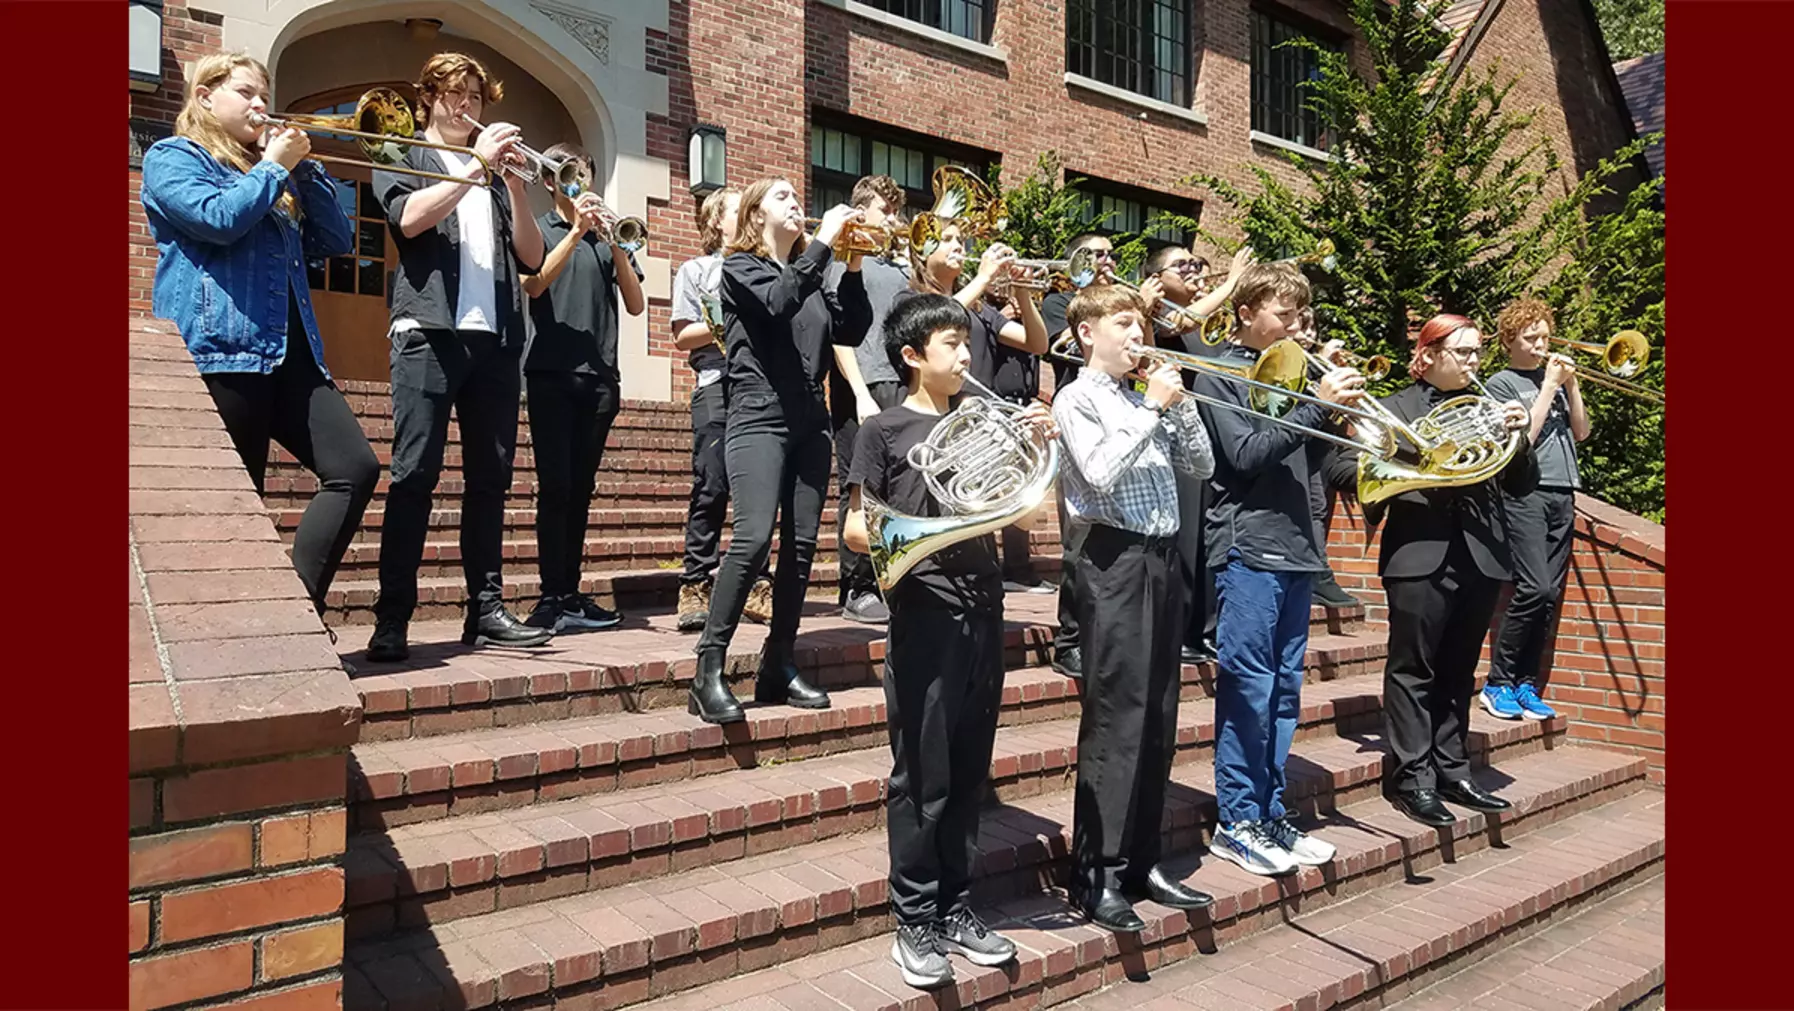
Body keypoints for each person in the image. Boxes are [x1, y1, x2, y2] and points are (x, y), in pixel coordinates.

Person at [842, 294, 1053, 989]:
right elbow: (853, 531)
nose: (966, 354)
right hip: (923, 614)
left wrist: (1038, 446)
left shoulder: (978, 420)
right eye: (950, 344)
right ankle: (914, 918)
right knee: (922, 774)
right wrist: (936, 530)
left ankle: (956, 905)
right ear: (911, 355)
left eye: (967, 343)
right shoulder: (883, 431)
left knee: (969, 772)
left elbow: (1027, 504)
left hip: (982, 608)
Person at [140, 52, 380, 621]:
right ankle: (219, 633)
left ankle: (293, 614)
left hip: (292, 355)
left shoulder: (271, 173)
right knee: (235, 505)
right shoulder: (173, 157)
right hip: (222, 351)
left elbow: (337, 238)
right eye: (246, 92)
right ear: (204, 97)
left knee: (354, 469)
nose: (259, 105)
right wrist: (273, 167)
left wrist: (303, 168)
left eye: (262, 95)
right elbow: (216, 220)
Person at [363, 52, 548, 662]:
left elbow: (532, 257)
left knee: (491, 479)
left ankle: (486, 609)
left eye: (474, 95)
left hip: (494, 341)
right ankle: (392, 617)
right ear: (429, 99)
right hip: (428, 333)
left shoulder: (497, 176)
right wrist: (476, 168)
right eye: (453, 94)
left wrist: (516, 190)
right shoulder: (403, 153)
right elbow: (409, 221)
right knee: (414, 474)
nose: (465, 106)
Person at [1052, 285, 1215, 933]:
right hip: (1111, 559)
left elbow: (1199, 466)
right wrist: (1151, 408)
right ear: (1088, 332)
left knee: (1158, 718)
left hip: (1161, 559)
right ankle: (1097, 871)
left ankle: (1141, 858)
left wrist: (1178, 411)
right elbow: (1097, 472)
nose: (1136, 332)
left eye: (1139, 322)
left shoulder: (1140, 395)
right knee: (1117, 717)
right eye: (1124, 322)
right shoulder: (1077, 397)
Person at [1193, 263, 1363, 878]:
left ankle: (1269, 811)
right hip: (1247, 547)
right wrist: (1314, 408)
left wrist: (1334, 412)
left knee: (1286, 690)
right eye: (1284, 315)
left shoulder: (1299, 375)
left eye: (1300, 315)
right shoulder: (1218, 373)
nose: (1298, 326)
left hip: (1295, 547)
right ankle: (1236, 820)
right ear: (1246, 314)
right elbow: (1243, 455)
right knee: (1249, 688)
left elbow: (1311, 460)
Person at [686, 178, 872, 724]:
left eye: (798, 197)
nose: (797, 203)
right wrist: (823, 245)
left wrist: (854, 264)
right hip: (757, 414)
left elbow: (852, 329)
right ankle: (708, 670)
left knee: (802, 548)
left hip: (810, 421)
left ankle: (779, 662)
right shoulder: (741, 267)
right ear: (755, 213)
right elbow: (777, 301)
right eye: (783, 197)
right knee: (751, 538)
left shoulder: (812, 275)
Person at [1364, 314, 1537, 826]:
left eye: (1478, 352)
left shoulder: (1488, 408)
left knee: (1460, 669)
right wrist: (1420, 457)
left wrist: (1520, 437)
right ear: (1430, 354)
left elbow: (1521, 484)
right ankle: (1413, 778)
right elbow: (1344, 469)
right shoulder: (1393, 408)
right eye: (1463, 352)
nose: (1473, 362)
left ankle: (1453, 768)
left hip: (1481, 554)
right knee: (1414, 668)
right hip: (1419, 553)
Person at [516, 142, 644, 633]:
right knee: (556, 487)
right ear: (550, 182)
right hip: (550, 373)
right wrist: (574, 234)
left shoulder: (606, 239)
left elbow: (634, 304)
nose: (578, 185)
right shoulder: (543, 231)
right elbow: (534, 286)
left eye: (584, 176)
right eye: (569, 176)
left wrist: (614, 242)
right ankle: (551, 595)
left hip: (600, 380)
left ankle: (570, 591)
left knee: (582, 490)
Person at [897, 217, 1049, 597]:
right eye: (946, 240)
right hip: (935, 421)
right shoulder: (909, 298)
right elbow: (933, 322)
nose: (958, 246)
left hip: (976, 424)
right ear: (922, 250)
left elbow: (1036, 343)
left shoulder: (980, 308)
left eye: (960, 238)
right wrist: (982, 277)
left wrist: (1023, 291)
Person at [1040, 233, 1157, 679]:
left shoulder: (1122, 317)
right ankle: (1071, 638)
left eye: (1110, 254)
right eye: (1095, 254)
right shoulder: (1060, 301)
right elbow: (1056, 343)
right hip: (1083, 417)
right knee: (1077, 543)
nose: (1106, 261)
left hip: (1123, 410)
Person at [1140, 242, 1254, 665]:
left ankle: (1205, 627)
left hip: (1213, 436)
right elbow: (1181, 321)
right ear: (1157, 278)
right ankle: (1183, 630)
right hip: (1181, 439)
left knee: (1208, 541)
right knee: (1186, 540)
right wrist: (1232, 281)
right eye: (1180, 265)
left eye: (1193, 262)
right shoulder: (1161, 313)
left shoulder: (1208, 321)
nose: (1191, 269)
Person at [669, 189, 775, 633]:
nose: (750, 216)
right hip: (716, 382)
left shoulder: (765, 266)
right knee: (711, 485)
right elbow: (681, 335)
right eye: (739, 211)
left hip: (759, 386)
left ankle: (758, 582)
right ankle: (696, 580)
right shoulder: (695, 270)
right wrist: (725, 328)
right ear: (716, 223)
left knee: (761, 490)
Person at [1480, 298, 1588, 721]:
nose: (1542, 344)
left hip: (1564, 491)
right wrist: (1547, 387)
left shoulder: (1558, 382)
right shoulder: (1501, 383)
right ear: (1510, 340)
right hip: (1526, 492)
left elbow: (1580, 433)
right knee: (1534, 588)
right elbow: (1524, 436)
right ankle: (1497, 682)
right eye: (1531, 337)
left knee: (1550, 596)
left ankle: (1526, 683)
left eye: (1545, 336)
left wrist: (1572, 387)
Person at [828, 176, 913, 626]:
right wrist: (860, 392)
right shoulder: (843, 260)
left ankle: (891, 578)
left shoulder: (900, 268)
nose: (894, 221)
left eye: (897, 212)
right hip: (861, 386)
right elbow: (840, 338)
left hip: (900, 383)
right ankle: (857, 585)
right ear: (861, 212)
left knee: (898, 488)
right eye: (887, 211)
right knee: (860, 488)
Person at [1295, 306, 1364, 611]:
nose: (1308, 335)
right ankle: (1318, 574)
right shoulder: (1291, 359)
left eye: (1312, 329)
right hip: (1299, 447)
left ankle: (1315, 574)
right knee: (1313, 506)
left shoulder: (1314, 363)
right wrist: (1322, 364)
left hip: (1320, 445)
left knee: (1318, 506)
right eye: (1302, 326)